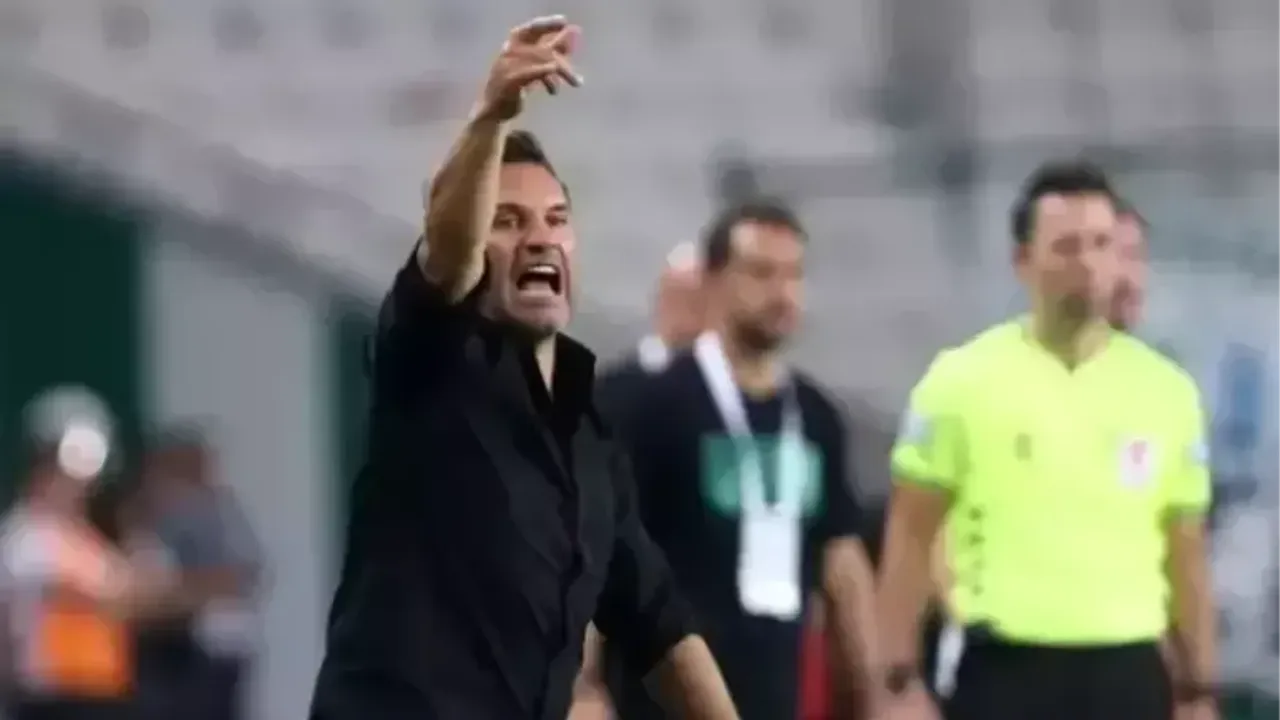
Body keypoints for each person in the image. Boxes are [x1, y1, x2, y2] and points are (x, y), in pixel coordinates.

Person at [308, 15, 737, 720]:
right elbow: (447, 258)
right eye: (508, 221)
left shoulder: (588, 432)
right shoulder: (430, 361)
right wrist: (491, 116)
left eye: (556, 219)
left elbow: (659, 624)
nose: (541, 238)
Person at [876, 161, 1219, 720]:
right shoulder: (961, 381)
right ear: (1023, 261)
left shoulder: (1168, 393)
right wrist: (896, 682)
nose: (1087, 263)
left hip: (1127, 671)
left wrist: (1199, 689)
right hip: (1007, 669)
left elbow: (1187, 555)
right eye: (1066, 246)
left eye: (1101, 244)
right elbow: (911, 537)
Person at [598, 200, 879, 720]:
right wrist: (584, 686)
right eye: (761, 273)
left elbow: (842, 562)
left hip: (775, 694)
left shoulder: (815, 416)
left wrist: (872, 692)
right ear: (715, 281)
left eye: (794, 274)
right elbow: (600, 546)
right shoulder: (653, 405)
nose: (782, 292)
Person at [0, 425, 203, 720]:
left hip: (99, 685)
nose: (78, 490)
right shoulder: (26, 536)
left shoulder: (82, 536)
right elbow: (104, 594)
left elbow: (140, 587)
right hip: (54, 688)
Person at [596, 241, 706, 425]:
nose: (686, 314)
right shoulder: (619, 381)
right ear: (660, 301)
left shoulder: (723, 383)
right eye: (677, 299)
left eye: (696, 302)